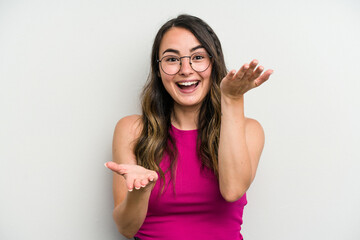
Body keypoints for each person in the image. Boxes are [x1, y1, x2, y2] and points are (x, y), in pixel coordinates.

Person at [105, 14, 273, 240]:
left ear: (213, 64)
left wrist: (232, 99)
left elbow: (232, 190)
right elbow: (126, 229)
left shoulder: (248, 130)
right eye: (172, 59)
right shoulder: (132, 130)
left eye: (198, 57)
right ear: (158, 69)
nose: (186, 69)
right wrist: (140, 192)